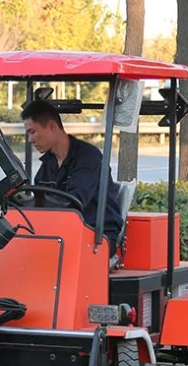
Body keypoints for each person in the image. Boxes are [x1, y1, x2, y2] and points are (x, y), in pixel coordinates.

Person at [20, 98, 123, 254]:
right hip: (65, 233)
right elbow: (40, 203)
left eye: (32, 132)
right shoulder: (47, 165)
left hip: (98, 235)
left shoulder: (88, 157)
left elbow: (75, 203)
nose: (30, 140)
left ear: (52, 126)